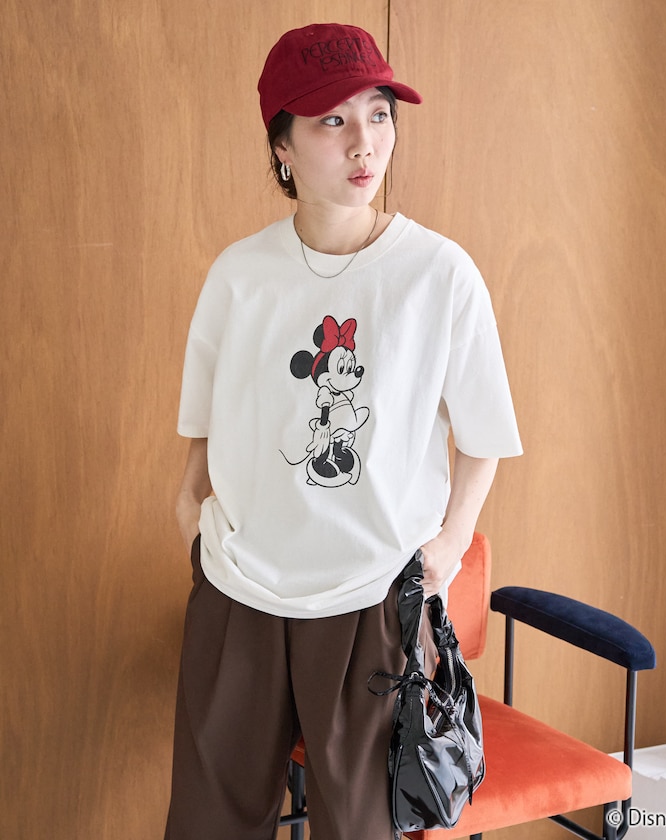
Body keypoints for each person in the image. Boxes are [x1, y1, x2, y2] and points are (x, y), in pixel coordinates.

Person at [165, 21, 522, 840]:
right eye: (332, 119)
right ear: (281, 147)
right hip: (239, 592)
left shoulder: (439, 274)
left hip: (372, 600)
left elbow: (485, 436)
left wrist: (446, 549)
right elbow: (203, 434)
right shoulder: (239, 275)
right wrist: (192, 523)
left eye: (379, 113)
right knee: (209, 824)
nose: (365, 142)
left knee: (359, 829)